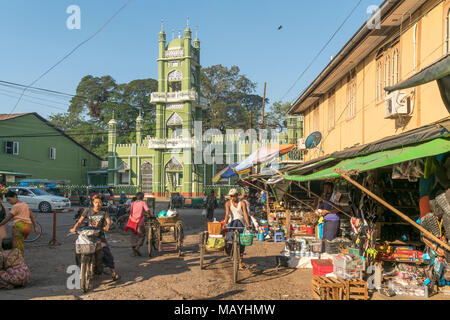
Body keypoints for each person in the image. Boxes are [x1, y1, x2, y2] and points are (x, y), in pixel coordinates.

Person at [70, 195, 120, 281]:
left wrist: (107, 226)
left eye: (100, 202)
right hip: (88, 235)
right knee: (78, 247)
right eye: (96, 202)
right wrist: (74, 228)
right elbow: (79, 221)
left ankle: (113, 273)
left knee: (106, 252)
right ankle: (80, 268)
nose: (98, 204)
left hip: (99, 236)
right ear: (93, 203)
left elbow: (108, 222)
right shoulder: (87, 210)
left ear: (102, 203)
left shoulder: (104, 212)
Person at [224, 189, 250, 270]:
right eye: (230, 196)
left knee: (242, 243)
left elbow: (245, 214)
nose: (232, 198)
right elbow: (227, 214)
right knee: (234, 223)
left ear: (237, 195)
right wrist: (225, 223)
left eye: (233, 196)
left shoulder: (242, 203)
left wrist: (248, 224)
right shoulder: (228, 203)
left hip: (241, 223)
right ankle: (230, 246)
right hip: (232, 223)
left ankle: (241, 262)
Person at [125, 192, 151, 257]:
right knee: (142, 235)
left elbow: (129, 211)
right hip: (139, 222)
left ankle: (134, 253)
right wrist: (150, 215)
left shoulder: (133, 203)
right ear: (142, 197)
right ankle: (137, 248)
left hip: (131, 222)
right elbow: (147, 210)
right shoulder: (143, 203)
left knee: (133, 237)